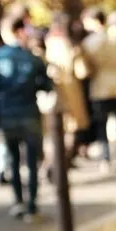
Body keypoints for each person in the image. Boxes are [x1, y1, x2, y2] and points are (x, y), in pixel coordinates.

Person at [0, 14, 52, 220]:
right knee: (32, 160)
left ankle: (18, 201)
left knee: (14, 159)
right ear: (20, 31)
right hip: (29, 112)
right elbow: (46, 85)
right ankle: (32, 203)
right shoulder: (33, 58)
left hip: (6, 114)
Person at [82, 8, 116, 169]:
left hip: (100, 86)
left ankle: (105, 157)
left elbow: (86, 67)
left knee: (102, 124)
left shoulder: (90, 42)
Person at [44, 14, 91, 167]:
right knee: (70, 125)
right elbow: (81, 70)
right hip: (69, 87)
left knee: (58, 127)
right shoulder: (67, 45)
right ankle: (63, 159)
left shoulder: (47, 43)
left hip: (54, 89)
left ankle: (58, 160)